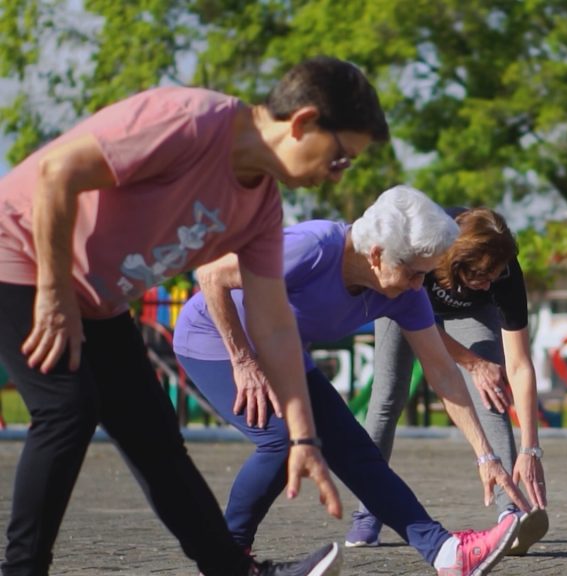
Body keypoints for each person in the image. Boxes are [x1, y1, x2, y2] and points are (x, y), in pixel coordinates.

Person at [0, 55, 389, 575]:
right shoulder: (189, 120)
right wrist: (52, 293)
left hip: (95, 299)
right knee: (68, 410)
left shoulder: (261, 209)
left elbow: (273, 326)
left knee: (155, 435)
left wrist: (303, 437)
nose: (338, 175)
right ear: (303, 123)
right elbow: (56, 172)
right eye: (341, 158)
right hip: (21, 254)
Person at [173, 186, 531, 576]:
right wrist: (242, 360)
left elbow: (442, 370)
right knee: (283, 439)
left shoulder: (405, 294)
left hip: (282, 350)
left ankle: (447, 553)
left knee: (357, 452)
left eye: (424, 275)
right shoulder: (313, 247)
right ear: (376, 255)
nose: (418, 286)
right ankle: (228, 561)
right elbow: (211, 275)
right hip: (215, 341)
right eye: (413, 273)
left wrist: (485, 456)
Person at [347, 207, 549, 556]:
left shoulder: (503, 273)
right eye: (482, 276)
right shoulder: (423, 248)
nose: (490, 284)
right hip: (402, 301)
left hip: (468, 314)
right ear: (457, 260)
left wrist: (531, 448)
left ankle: (510, 511)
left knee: (492, 390)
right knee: (387, 398)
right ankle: (370, 507)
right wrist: (471, 362)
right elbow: (424, 333)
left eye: (495, 277)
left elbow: (519, 364)